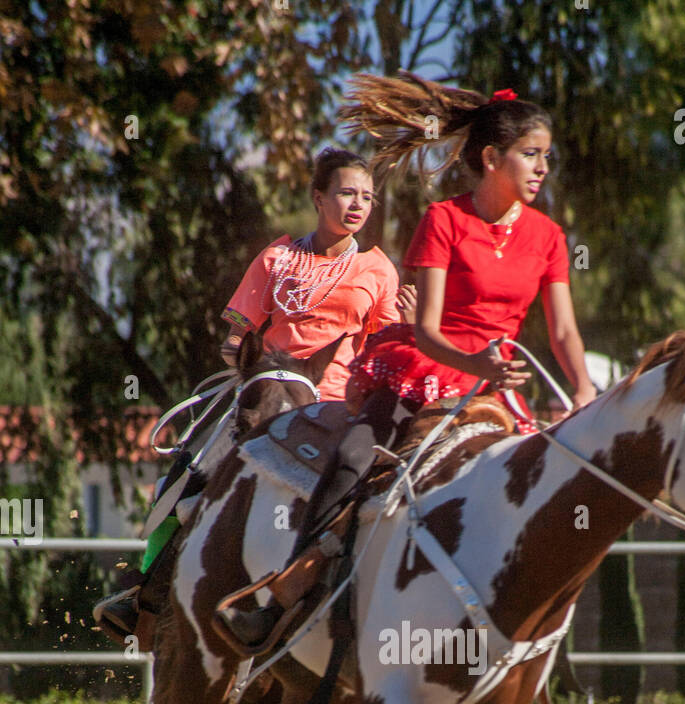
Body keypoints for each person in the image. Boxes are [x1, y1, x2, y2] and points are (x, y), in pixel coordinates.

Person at [235, 74, 597, 651]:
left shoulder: (549, 236)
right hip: (425, 371)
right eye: (531, 155)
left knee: (547, 497)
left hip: (497, 388)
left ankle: (531, 653)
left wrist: (582, 391)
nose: (542, 167)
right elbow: (426, 331)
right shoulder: (444, 221)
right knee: (355, 456)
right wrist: (475, 363)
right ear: (491, 158)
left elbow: (565, 332)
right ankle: (288, 590)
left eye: (546, 156)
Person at [96, 146, 412, 640]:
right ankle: (144, 596)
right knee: (178, 484)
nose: (358, 204)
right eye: (347, 192)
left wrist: (408, 325)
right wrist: (248, 363)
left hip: (335, 402)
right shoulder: (277, 256)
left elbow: (383, 348)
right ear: (318, 196)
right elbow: (234, 338)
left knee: (376, 495)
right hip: (264, 390)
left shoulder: (379, 270)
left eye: (367, 197)